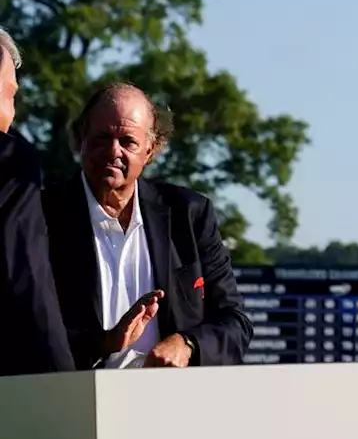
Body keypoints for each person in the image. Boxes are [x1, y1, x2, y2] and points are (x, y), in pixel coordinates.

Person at [43, 83, 253, 369]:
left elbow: (235, 323)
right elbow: (18, 328)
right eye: (102, 137)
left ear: (150, 150)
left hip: (169, 403)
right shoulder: (41, 216)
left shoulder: (189, 215)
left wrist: (187, 344)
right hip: (74, 401)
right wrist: (103, 343)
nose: (112, 151)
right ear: (81, 137)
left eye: (127, 141)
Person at [0, 28, 75, 376]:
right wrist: (61, 377)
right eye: (10, 93)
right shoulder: (10, 161)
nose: (12, 112)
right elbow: (26, 278)